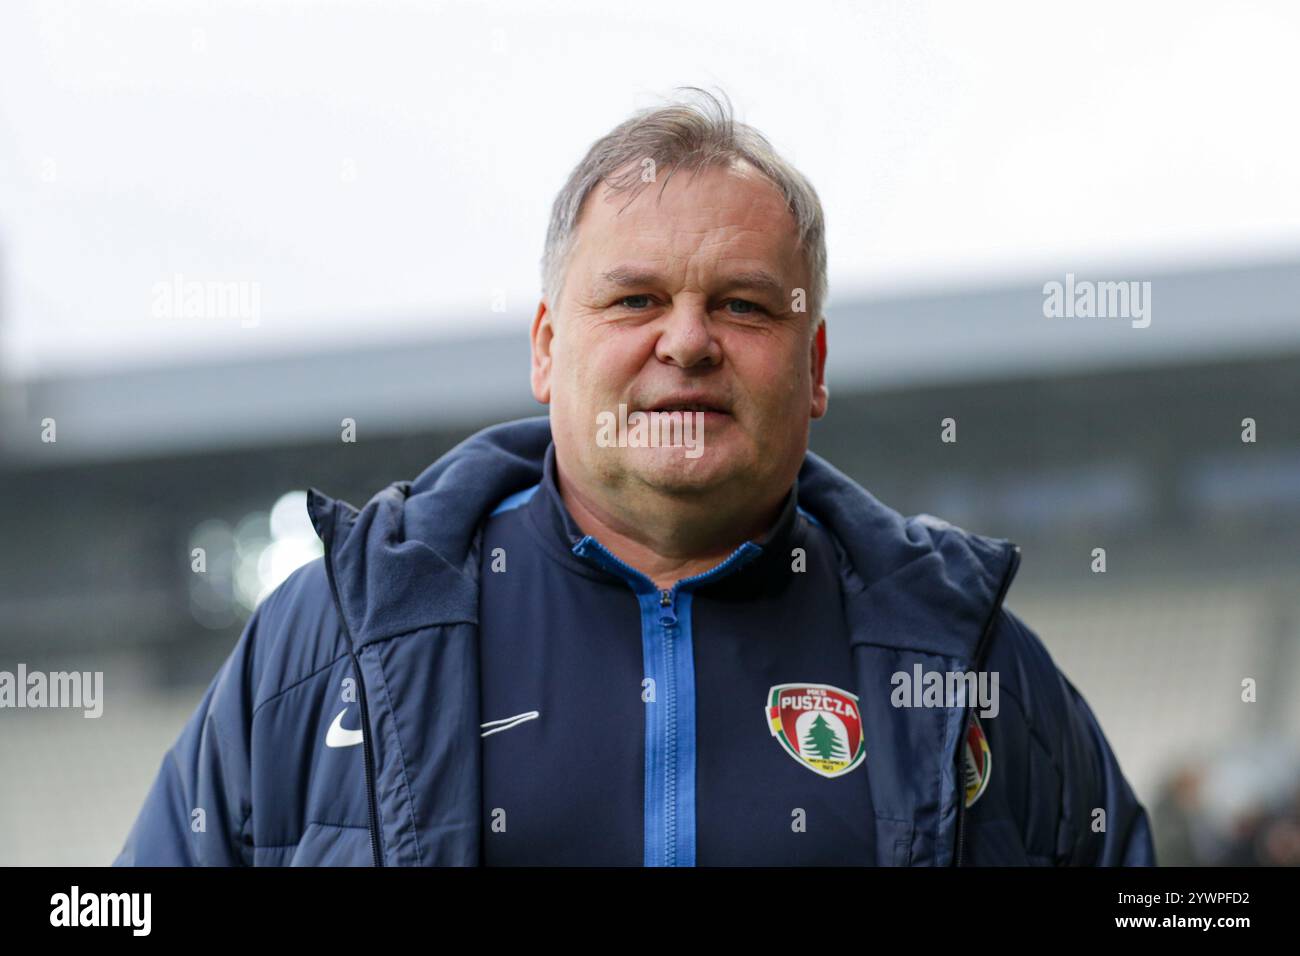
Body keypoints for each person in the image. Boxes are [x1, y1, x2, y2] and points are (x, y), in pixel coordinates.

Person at [114, 87, 1154, 866]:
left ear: (816, 365)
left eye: (744, 305)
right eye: (634, 300)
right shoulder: (329, 640)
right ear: (545, 346)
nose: (688, 342)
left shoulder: (970, 663)